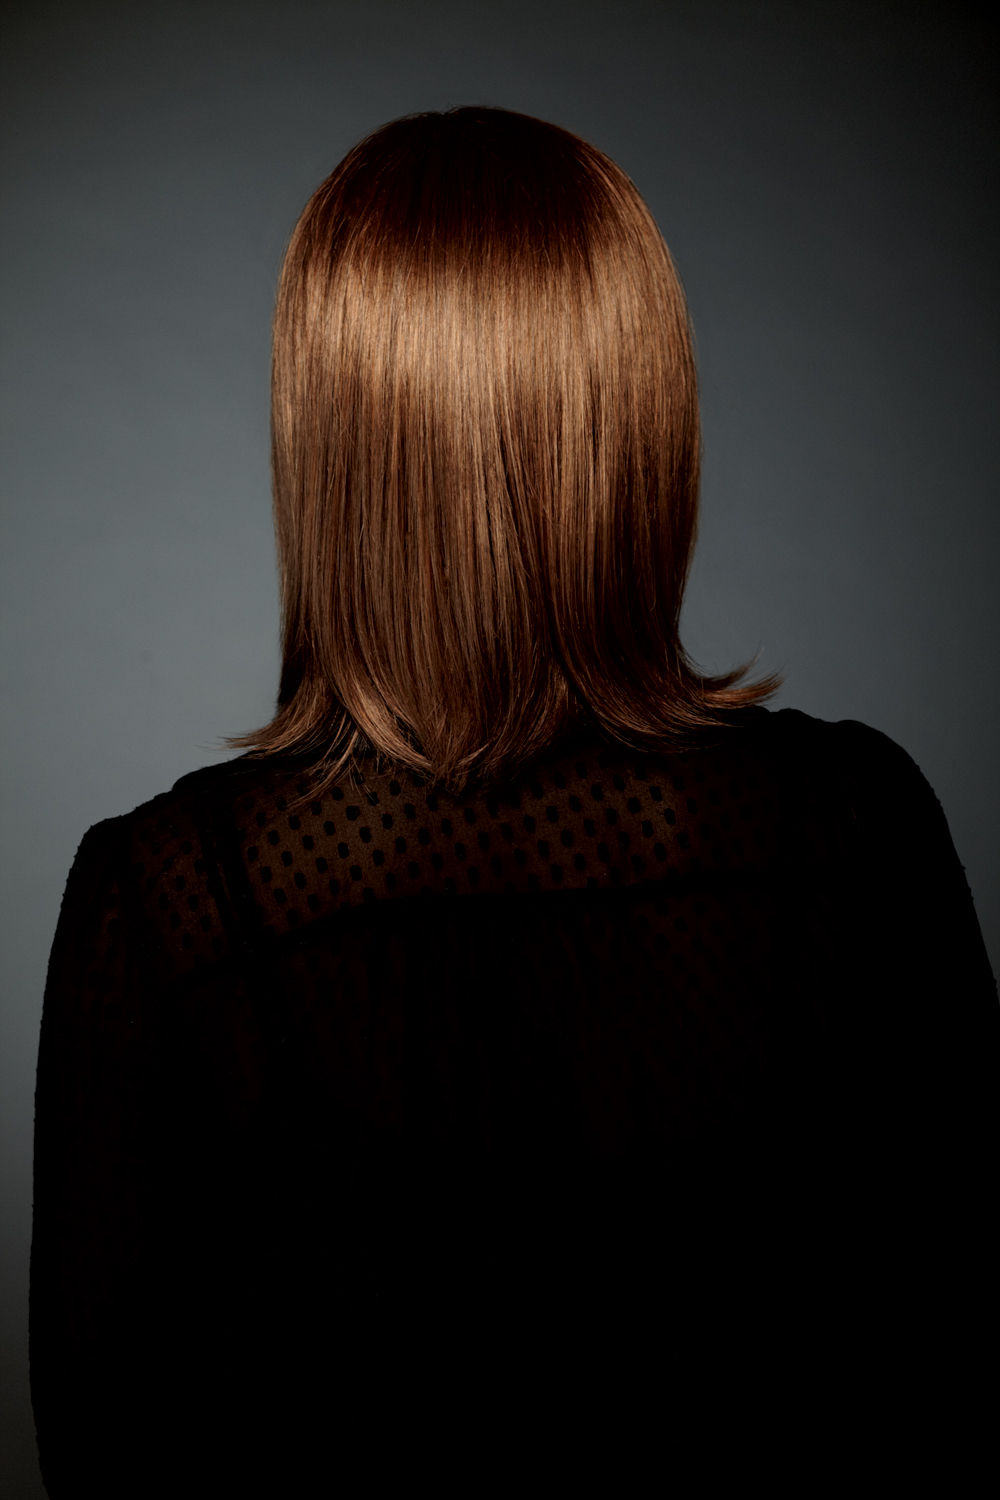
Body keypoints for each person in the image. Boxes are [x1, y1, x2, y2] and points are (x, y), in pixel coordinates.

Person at [30, 107, 997, 1496]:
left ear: (333, 447)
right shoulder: (852, 830)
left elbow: (110, 1448)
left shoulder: (176, 909)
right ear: (641, 426)